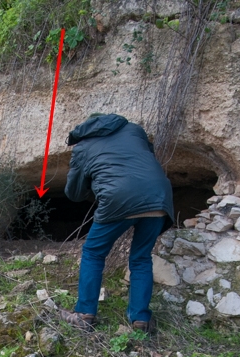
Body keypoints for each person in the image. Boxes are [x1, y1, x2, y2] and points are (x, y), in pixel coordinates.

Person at [60, 113, 174, 334]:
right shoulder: (134, 131)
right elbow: (144, 162)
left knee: (93, 252)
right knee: (141, 258)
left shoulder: (83, 147)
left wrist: (93, 188)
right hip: (160, 196)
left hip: (119, 197)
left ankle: (84, 314)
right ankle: (140, 319)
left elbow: (73, 193)